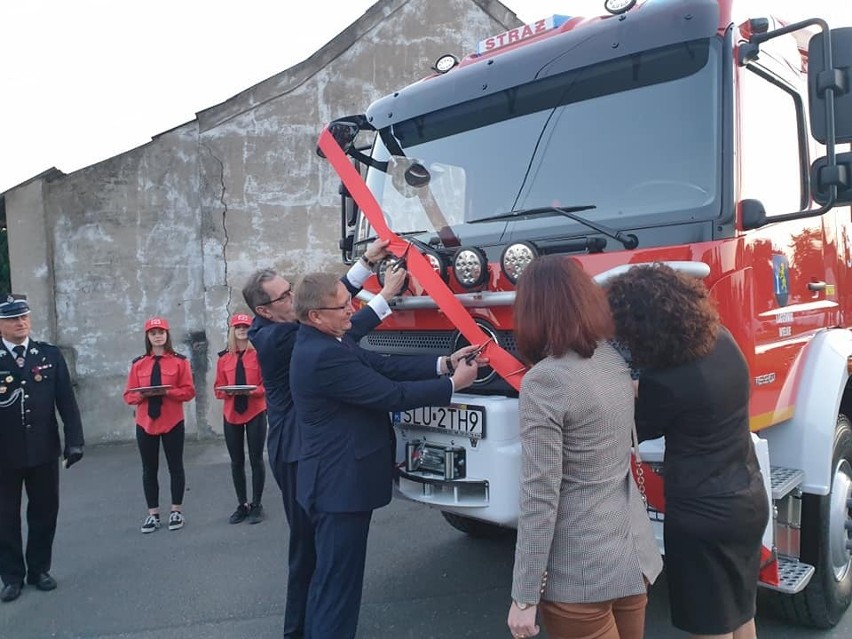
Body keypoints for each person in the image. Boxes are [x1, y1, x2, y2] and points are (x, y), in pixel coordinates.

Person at [290, 270, 482, 639]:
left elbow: (382, 365)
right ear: (315, 314)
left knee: (332, 580)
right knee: (337, 588)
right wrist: (453, 386)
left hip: (334, 484)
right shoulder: (323, 355)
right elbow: (390, 394)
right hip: (338, 488)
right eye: (343, 305)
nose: (352, 310)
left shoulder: (330, 340)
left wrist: (444, 363)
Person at [242, 238, 403, 639]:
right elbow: (339, 321)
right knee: (308, 551)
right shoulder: (276, 337)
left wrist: (367, 264)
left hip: (309, 450)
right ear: (264, 310)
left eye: (291, 289)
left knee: (317, 551)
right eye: (284, 297)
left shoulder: (288, 325)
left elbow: (333, 315)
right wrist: (382, 296)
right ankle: (300, 630)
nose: (293, 298)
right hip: (298, 453)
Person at [606, 264, 769, 639]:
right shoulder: (722, 340)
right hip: (747, 499)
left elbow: (633, 429)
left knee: (709, 625)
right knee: (740, 614)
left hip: (702, 517)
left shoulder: (665, 381)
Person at [507, 256, 662, 639]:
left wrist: (524, 596)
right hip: (633, 555)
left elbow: (540, 494)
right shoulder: (611, 358)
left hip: (581, 569)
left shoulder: (545, 381)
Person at [0, 296, 84, 603]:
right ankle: (11, 577)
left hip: (43, 450)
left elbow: (66, 401)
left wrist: (74, 441)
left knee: (45, 512)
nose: (20, 323)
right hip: (4, 455)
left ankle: (38, 569)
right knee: (4, 517)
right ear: (0, 325)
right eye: (12, 319)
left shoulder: (48, 355)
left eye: (23, 317)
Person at [123, 317, 196, 534]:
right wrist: (143, 395)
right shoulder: (138, 364)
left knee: (175, 466)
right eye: (153, 332)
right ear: (147, 336)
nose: (157, 336)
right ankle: (152, 514)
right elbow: (128, 395)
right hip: (146, 422)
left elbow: (189, 391)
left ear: (167, 335)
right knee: (149, 469)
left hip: (172, 420)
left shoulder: (179, 362)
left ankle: (176, 510)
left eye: (161, 332)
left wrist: (167, 391)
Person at [214, 313, 268, 525]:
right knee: (236, 461)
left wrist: (253, 392)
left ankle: (257, 504)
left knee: (256, 459)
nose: (242, 330)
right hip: (232, 413)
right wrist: (227, 392)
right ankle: (242, 504)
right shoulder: (224, 359)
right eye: (238, 327)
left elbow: (266, 386)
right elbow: (218, 389)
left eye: (246, 327)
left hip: (255, 410)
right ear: (232, 331)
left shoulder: (259, 356)